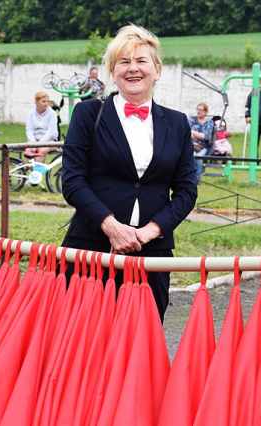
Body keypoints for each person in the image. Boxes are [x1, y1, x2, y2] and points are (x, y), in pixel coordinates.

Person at [61, 24, 198, 322]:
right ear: (113, 72)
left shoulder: (177, 123)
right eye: (123, 62)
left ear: (157, 69)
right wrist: (113, 228)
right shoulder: (87, 113)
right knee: (83, 342)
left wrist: (149, 232)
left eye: (141, 61)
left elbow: (187, 190)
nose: (132, 68)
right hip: (92, 249)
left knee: (142, 345)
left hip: (153, 254)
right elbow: (72, 180)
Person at [24, 91, 59, 164]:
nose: (46, 104)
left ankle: (37, 173)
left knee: (42, 151)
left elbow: (50, 132)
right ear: (36, 102)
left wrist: (39, 144)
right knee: (28, 151)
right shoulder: (31, 113)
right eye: (43, 101)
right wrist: (33, 142)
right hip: (34, 139)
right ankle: (32, 173)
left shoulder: (52, 113)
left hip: (49, 140)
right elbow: (29, 129)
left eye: (47, 101)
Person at [189, 103, 213, 177]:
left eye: (201, 110)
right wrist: (199, 135)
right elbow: (187, 133)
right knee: (191, 156)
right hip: (190, 145)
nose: (198, 111)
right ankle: (190, 176)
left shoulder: (209, 122)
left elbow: (205, 137)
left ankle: (197, 177)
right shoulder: (191, 119)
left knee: (198, 157)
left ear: (206, 112)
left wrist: (192, 132)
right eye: (198, 109)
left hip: (202, 146)